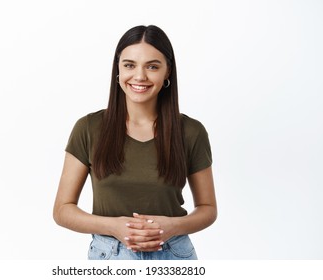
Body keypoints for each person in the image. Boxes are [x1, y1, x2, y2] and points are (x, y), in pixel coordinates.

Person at [53, 25, 217, 260]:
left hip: (173, 253)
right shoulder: (88, 128)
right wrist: (113, 227)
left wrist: (172, 226)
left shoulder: (191, 132)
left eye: (152, 66)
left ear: (167, 71)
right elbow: (62, 210)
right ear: (117, 69)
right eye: (129, 65)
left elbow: (208, 209)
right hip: (109, 255)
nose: (140, 76)